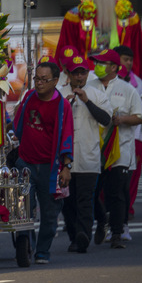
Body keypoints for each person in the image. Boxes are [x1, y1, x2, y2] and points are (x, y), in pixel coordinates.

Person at [11, 61, 74, 265]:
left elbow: (67, 137)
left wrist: (66, 167)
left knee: (49, 213)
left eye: (44, 80)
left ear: (55, 81)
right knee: (23, 211)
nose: (39, 83)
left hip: (50, 167)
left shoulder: (62, 106)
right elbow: (17, 122)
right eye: (37, 79)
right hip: (26, 164)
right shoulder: (29, 96)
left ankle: (42, 252)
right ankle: (25, 246)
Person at [90, 49, 142, 249]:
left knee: (116, 193)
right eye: (96, 62)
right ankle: (101, 221)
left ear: (114, 67)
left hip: (120, 151)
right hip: (93, 150)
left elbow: (140, 116)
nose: (97, 66)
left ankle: (116, 233)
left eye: (102, 63)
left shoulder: (127, 88)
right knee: (93, 193)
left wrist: (122, 119)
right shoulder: (89, 86)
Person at [56, 52, 111, 253]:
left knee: (85, 199)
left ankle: (84, 236)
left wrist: (87, 101)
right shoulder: (59, 94)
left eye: (83, 73)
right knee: (68, 202)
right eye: (76, 73)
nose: (80, 77)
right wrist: (67, 106)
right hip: (65, 160)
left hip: (89, 157)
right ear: (68, 74)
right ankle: (74, 236)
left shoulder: (97, 94)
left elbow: (106, 120)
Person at [114, 45, 142, 239]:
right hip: (111, 139)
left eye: (130, 60)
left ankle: (126, 213)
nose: (128, 63)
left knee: (129, 181)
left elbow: (141, 112)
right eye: (125, 59)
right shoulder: (101, 83)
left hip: (135, 137)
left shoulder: (137, 82)